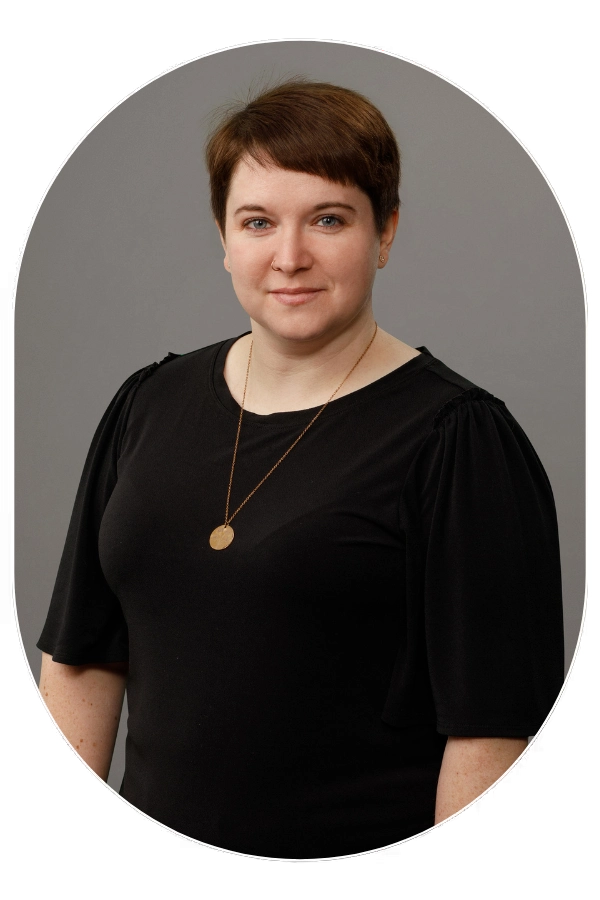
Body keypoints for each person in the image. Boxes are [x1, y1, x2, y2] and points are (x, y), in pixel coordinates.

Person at [36, 78, 564, 859]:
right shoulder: (148, 401)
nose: (290, 257)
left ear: (385, 232)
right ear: (224, 238)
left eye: (328, 218)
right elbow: (82, 658)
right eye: (258, 222)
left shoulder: (461, 441)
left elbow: (494, 732)